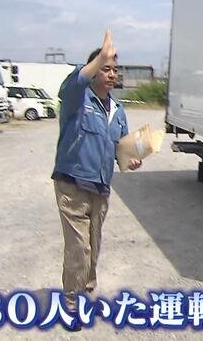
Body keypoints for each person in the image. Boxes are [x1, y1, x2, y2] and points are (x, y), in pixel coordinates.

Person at [51, 30, 142, 331]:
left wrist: (131, 160)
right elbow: (74, 82)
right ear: (94, 71)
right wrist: (99, 57)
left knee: (93, 247)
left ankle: (86, 298)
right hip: (73, 185)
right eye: (106, 68)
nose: (112, 74)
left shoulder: (118, 111)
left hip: (100, 189)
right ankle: (70, 306)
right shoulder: (78, 99)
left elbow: (121, 151)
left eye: (115, 69)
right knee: (79, 249)